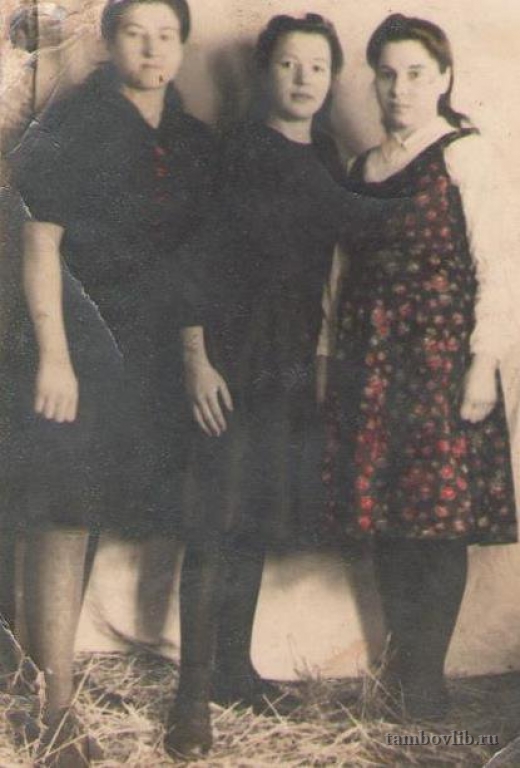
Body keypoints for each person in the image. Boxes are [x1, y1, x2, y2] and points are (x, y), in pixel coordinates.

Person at [9, 0, 215, 763]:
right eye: (135, 33)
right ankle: (56, 710)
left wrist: (192, 356)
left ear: (183, 46)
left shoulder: (188, 140)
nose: (152, 50)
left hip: (149, 350)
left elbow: (192, 260)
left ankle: (52, 687)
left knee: (94, 506)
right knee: (63, 514)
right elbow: (40, 246)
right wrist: (55, 357)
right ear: (109, 39)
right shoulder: (75, 123)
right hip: (76, 341)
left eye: (166, 36)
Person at [165, 12, 358, 758]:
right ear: (264, 71)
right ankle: (190, 699)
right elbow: (190, 259)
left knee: (251, 516)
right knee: (212, 519)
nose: (304, 78)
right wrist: (195, 359)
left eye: (318, 65)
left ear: (331, 77)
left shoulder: (329, 156)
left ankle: (233, 672)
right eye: (288, 64)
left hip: (289, 363)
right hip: (228, 358)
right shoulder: (235, 151)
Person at [321, 13, 519, 721]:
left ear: (443, 79)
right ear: (374, 81)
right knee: (388, 516)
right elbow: (341, 276)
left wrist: (482, 366)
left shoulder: (465, 154)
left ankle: (426, 683)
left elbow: (500, 267)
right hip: (373, 367)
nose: (399, 89)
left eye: (415, 74)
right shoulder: (362, 168)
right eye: (387, 75)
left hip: (441, 368)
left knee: (438, 521)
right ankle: (405, 666)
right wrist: (330, 359)